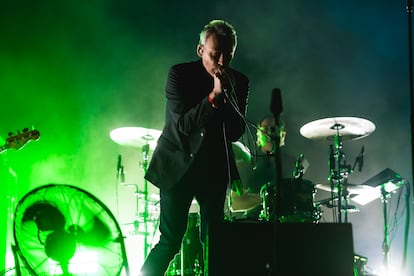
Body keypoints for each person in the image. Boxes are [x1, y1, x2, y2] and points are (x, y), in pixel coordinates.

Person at [140, 20, 249, 276]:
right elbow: (183, 125)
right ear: (201, 50)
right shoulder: (179, 75)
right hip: (178, 165)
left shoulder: (240, 82)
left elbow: (235, 131)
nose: (221, 61)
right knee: (170, 241)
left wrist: (227, 97)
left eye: (228, 54)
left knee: (214, 242)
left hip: (213, 169)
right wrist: (213, 97)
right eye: (215, 54)